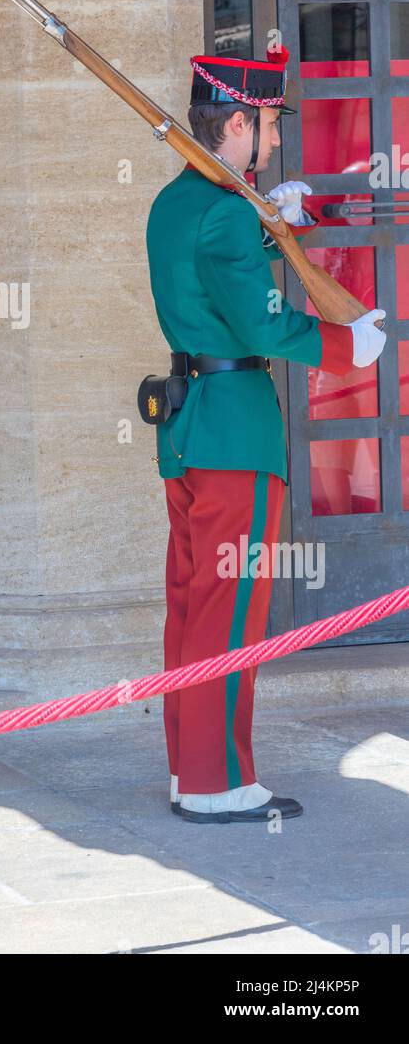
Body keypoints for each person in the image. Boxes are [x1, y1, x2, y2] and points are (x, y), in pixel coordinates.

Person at [145, 41, 386, 823]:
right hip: (235, 431)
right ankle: (218, 787)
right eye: (268, 125)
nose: (275, 138)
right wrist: (350, 343)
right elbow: (261, 319)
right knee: (231, 614)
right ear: (237, 125)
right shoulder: (220, 209)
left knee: (191, 608)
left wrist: (283, 216)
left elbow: (227, 259)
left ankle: (191, 771)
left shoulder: (180, 202)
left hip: (189, 429)